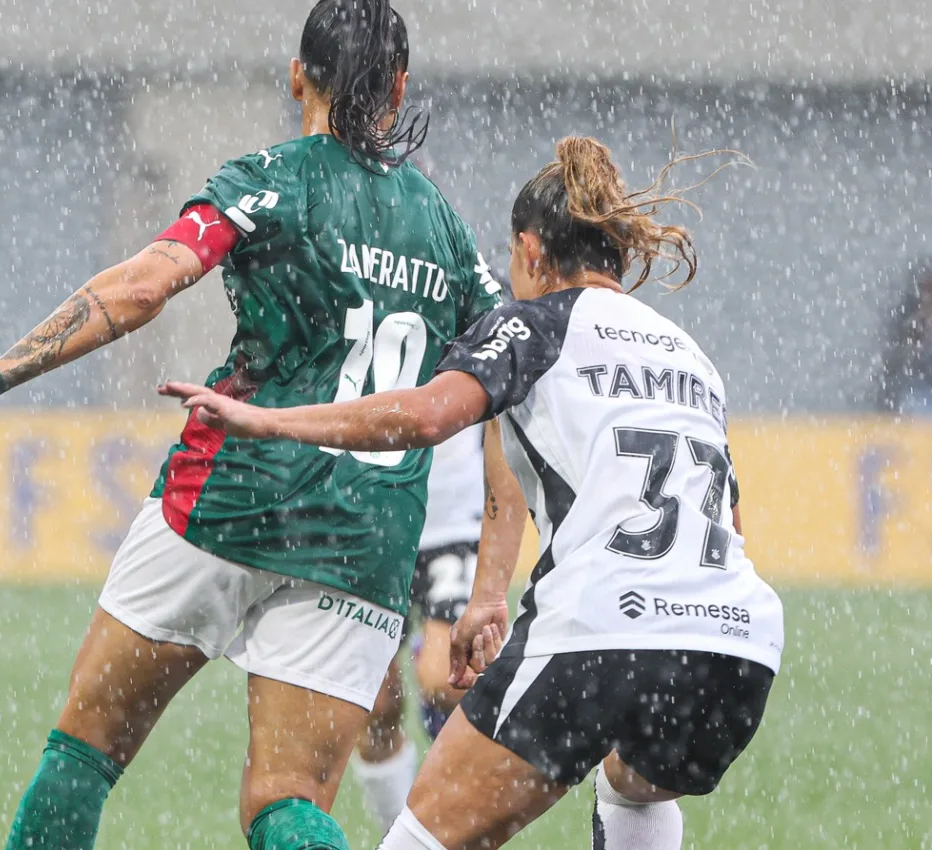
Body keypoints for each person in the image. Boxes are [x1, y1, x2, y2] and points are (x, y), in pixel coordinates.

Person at [0, 3, 505, 849]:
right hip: (362, 534)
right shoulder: (447, 230)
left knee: (84, 751)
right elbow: (503, 380)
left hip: (228, 498)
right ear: (400, 87)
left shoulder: (268, 179)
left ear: (298, 74)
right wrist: (495, 583)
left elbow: (142, 288)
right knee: (289, 803)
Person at [161, 136, 786, 850]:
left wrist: (268, 419)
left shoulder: (533, 323)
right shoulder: (687, 353)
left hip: (608, 629)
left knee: (424, 838)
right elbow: (723, 515)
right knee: (630, 785)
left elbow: (428, 415)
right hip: (737, 644)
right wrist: (491, 596)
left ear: (528, 250)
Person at [352, 422, 488, 833]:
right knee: (374, 705)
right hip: (372, 519)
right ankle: (397, 835)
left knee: (444, 679)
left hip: (454, 518)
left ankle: (433, 682)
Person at [879, 263, 932, 415]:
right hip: (918, 396)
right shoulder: (910, 324)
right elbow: (895, 367)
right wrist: (915, 339)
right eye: (926, 291)